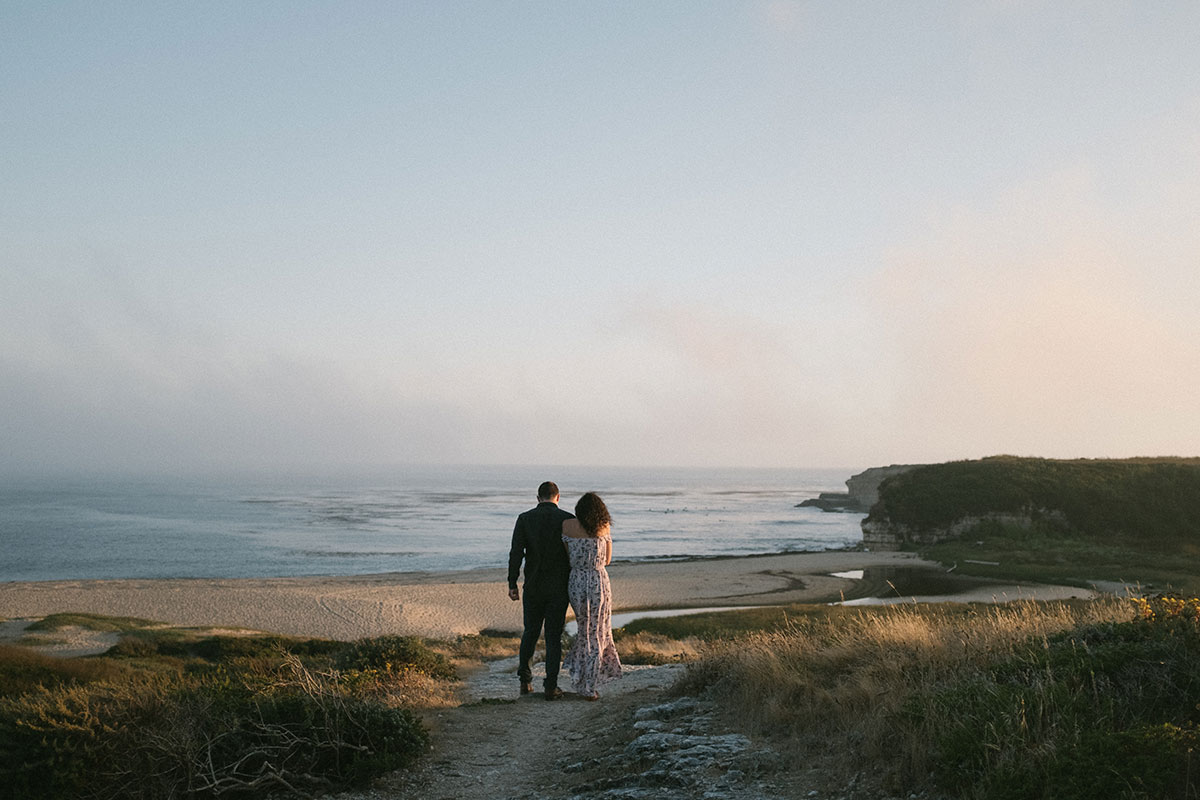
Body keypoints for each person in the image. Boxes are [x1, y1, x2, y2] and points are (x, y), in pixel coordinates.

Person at [508, 481, 575, 699]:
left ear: (538, 498)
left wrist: (512, 583)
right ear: (558, 497)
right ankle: (550, 686)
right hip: (558, 586)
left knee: (530, 632)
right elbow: (574, 554)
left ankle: (525, 682)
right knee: (554, 637)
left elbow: (516, 553)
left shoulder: (525, 518)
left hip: (533, 585)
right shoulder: (568, 519)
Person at [561, 491, 622, 700]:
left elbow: (568, 556)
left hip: (576, 582)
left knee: (584, 630)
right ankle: (589, 684)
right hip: (598, 582)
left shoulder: (567, 526)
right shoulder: (603, 527)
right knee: (599, 631)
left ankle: (581, 677)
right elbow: (607, 560)